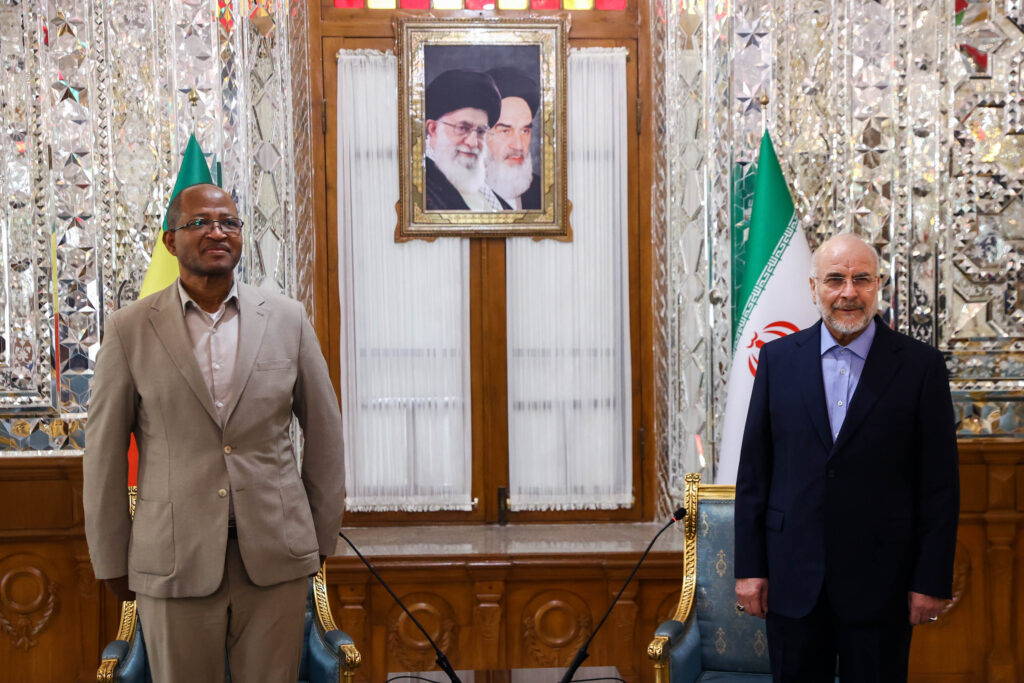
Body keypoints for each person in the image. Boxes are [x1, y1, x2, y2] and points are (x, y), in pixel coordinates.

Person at [83, 183, 345, 682]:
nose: (217, 232)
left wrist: (319, 538)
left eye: (229, 222)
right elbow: (103, 456)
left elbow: (326, 435)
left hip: (276, 557)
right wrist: (112, 558)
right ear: (170, 241)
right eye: (200, 223)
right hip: (173, 560)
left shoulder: (287, 320)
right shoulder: (129, 329)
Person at [733, 233, 959, 682]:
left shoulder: (921, 367)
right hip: (792, 580)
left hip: (883, 585)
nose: (848, 292)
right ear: (813, 287)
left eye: (862, 279)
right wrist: (749, 569)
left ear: (879, 286)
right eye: (835, 279)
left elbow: (940, 487)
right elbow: (755, 474)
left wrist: (929, 580)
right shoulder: (778, 360)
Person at [423, 69, 510, 211]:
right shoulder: (419, 188)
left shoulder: (484, 190)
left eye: (481, 131)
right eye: (463, 128)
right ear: (433, 129)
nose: (473, 142)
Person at [485, 67, 542, 210]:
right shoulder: (446, 196)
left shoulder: (543, 192)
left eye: (525, 131)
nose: (518, 145)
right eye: (505, 131)